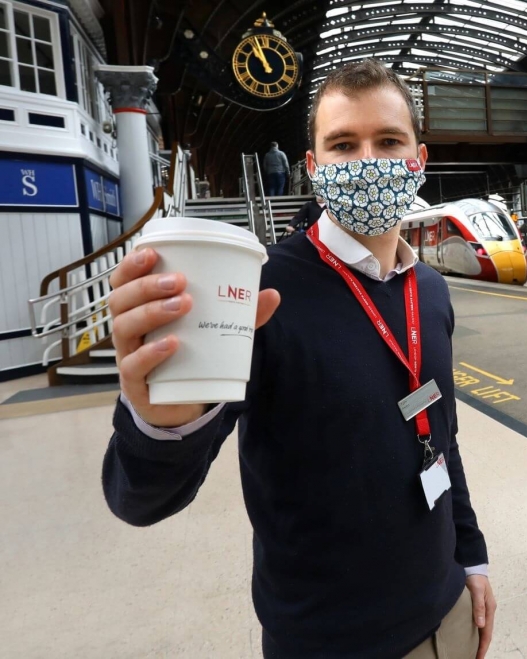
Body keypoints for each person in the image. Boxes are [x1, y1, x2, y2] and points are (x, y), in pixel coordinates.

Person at [103, 58, 495, 659]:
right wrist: (160, 423)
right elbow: (140, 500)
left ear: (419, 160)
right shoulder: (259, 296)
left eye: (388, 140)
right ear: (313, 168)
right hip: (328, 641)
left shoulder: (431, 291)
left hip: (450, 611)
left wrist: (471, 555)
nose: (367, 161)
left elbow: (442, 437)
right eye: (343, 145)